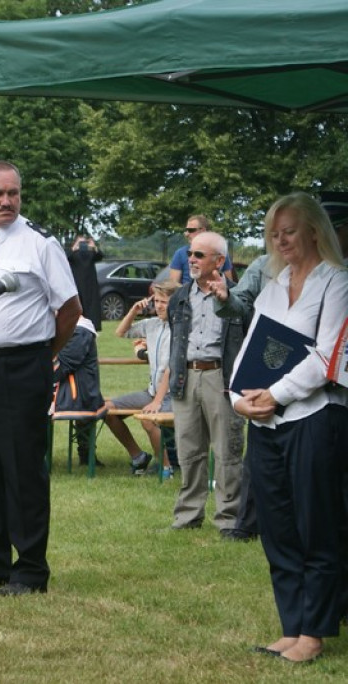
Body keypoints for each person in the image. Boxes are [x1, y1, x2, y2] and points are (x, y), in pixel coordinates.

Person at [0, 161, 81, 596]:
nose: (7, 201)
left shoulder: (40, 244)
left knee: (21, 469)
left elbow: (70, 309)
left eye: (14, 193)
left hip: (21, 367)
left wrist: (44, 353)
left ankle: (29, 570)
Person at [229, 192, 348, 663]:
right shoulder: (273, 287)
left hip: (315, 420)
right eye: (274, 234)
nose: (281, 241)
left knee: (315, 526)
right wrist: (239, 399)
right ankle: (291, 626)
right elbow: (249, 350)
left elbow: (326, 358)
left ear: (314, 231)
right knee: (277, 529)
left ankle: (315, 634)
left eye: (290, 232)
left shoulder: (336, 283)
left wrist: (275, 395)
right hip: (265, 424)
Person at [166, 230, 245, 532]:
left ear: (219, 260)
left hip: (221, 378)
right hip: (186, 378)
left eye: (199, 254)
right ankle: (187, 517)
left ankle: (229, 519)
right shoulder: (180, 298)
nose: (191, 260)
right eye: (190, 254)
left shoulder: (238, 296)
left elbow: (249, 329)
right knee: (189, 450)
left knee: (228, 450)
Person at [103, 280, 179, 475]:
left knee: (147, 419)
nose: (159, 306)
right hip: (152, 391)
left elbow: (170, 369)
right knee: (106, 409)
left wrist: (158, 401)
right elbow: (121, 332)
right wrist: (133, 311)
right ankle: (138, 457)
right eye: (157, 301)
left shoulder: (181, 329)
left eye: (164, 302)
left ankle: (166, 468)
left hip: (173, 395)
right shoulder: (151, 324)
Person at [50, 315, 107, 467]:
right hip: (68, 392)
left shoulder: (80, 331)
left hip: (77, 396)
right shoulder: (65, 327)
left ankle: (32, 457)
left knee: (26, 404)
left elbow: (62, 367)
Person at [168, 214, 234, 284]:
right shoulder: (180, 253)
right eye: (189, 254)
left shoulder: (220, 252)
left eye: (190, 230)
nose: (186, 234)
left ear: (202, 230)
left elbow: (229, 284)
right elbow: (173, 286)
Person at [67, 234, 104, 331]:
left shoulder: (90, 254)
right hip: (77, 284)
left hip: (90, 284)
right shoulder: (73, 254)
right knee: (78, 306)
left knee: (91, 307)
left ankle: (93, 326)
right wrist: (74, 247)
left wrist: (93, 246)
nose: (83, 245)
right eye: (81, 242)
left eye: (84, 242)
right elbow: (65, 257)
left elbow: (100, 256)